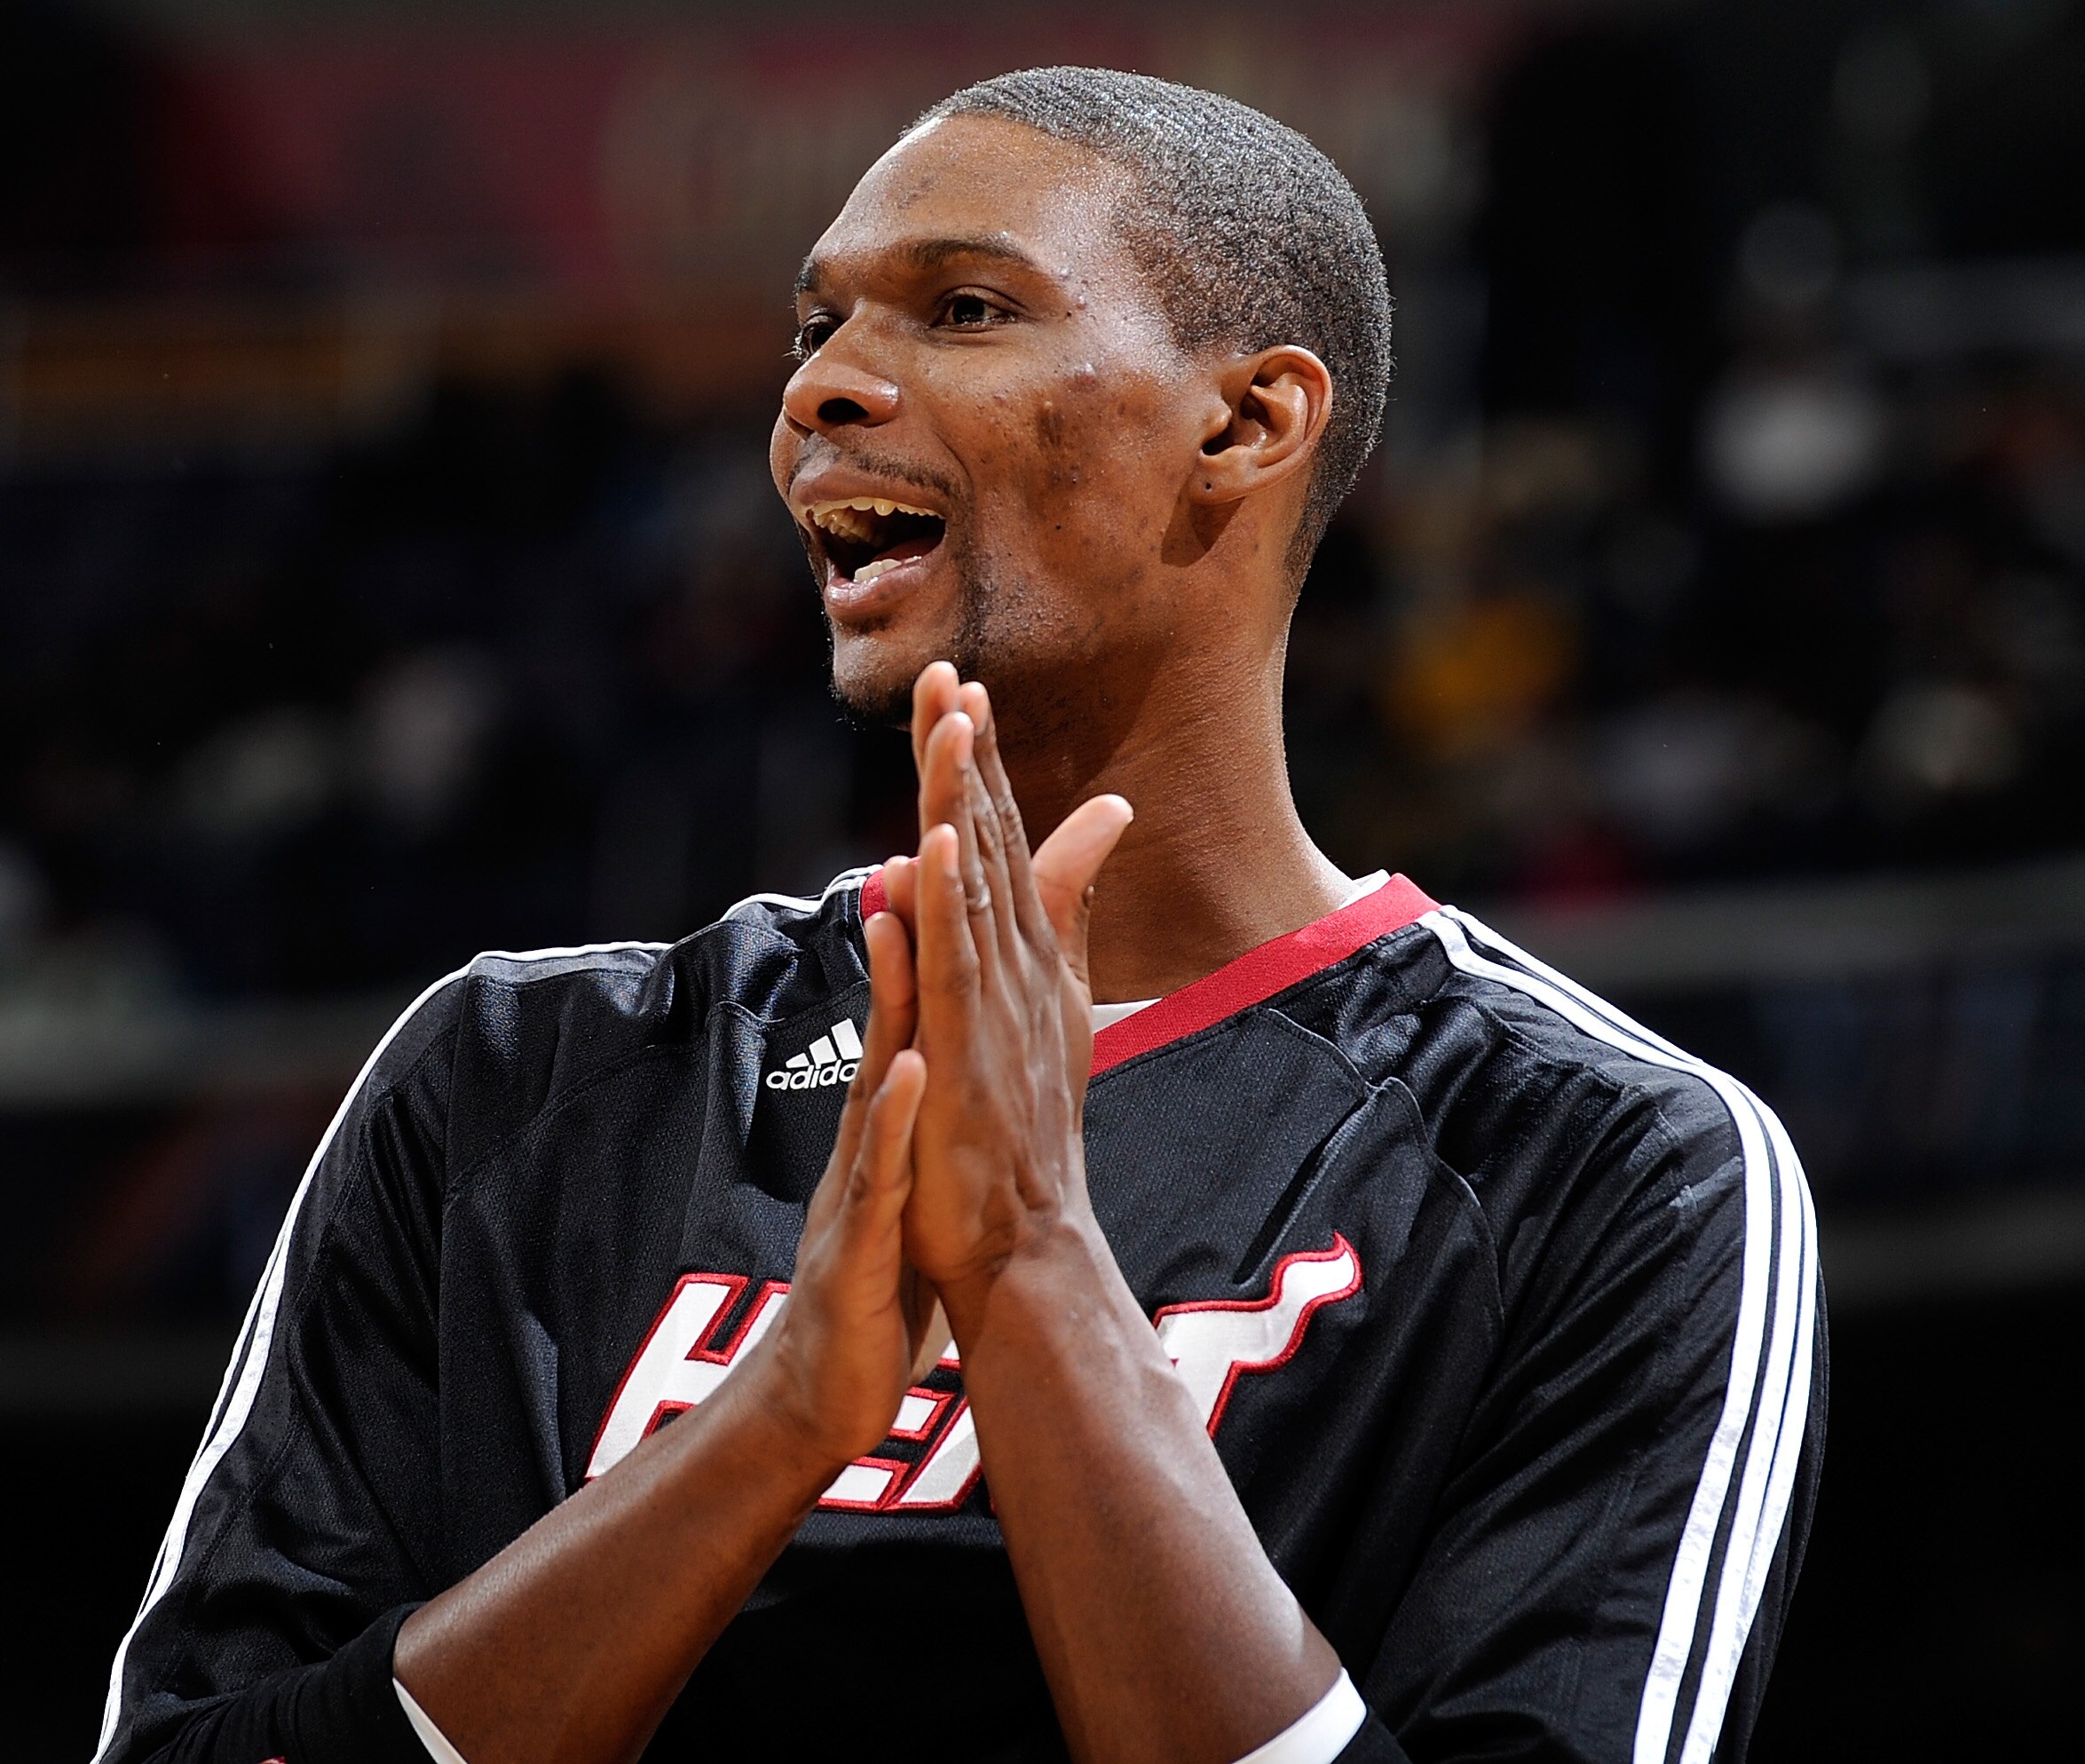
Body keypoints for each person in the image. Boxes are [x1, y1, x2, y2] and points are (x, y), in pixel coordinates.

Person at [91, 67, 1822, 1764]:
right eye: (812, 330)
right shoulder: (520, 1081)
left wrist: (1035, 1279)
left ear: (1246, 420)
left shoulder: (1601, 1163)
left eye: (964, 308)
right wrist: (778, 1422)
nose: (823, 393)